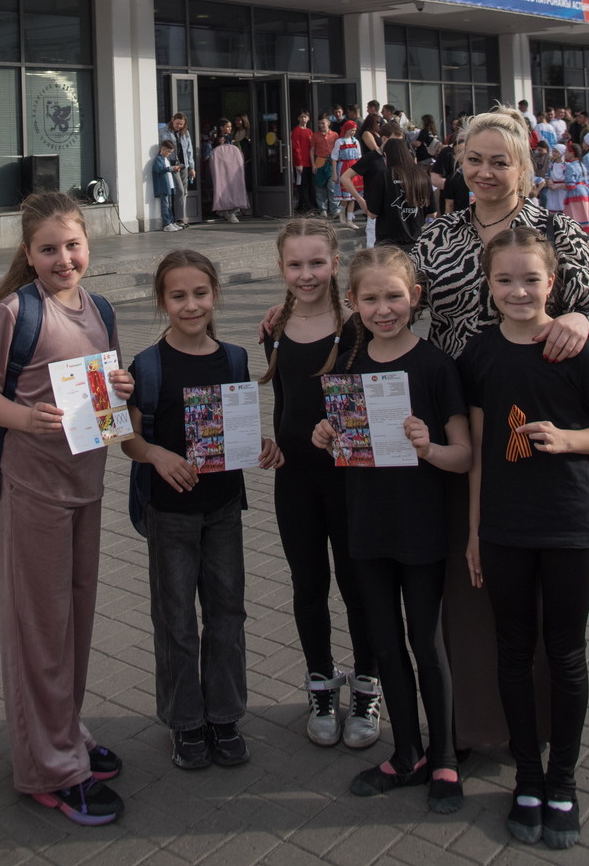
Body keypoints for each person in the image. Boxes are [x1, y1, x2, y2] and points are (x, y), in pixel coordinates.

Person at [411, 106, 589, 754]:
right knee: (471, 583)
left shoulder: (553, 230)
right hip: (460, 426)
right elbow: (389, 299)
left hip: (536, 433)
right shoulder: (438, 235)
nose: (485, 172)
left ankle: (545, 730)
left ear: (524, 167)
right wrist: (302, 312)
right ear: (459, 162)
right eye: (474, 160)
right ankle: (479, 727)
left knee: (543, 595)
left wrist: (583, 324)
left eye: (499, 162)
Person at [0, 191, 133, 826]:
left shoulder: (101, 307)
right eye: (49, 249)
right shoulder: (15, 312)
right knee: (39, 627)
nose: (64, 259)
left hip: (86, 482)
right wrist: (24, 418)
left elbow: (107, 393)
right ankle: (50, 769)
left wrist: (121, 387)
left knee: (73, 621)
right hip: (31, 489)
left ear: (88, 244)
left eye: (73, 245)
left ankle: (65, 732)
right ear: (28, 254)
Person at [463, 227, 589, 849]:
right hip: (504, 528)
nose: (518, 291)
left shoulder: (574, 349)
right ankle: (527, 777)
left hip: (567, 524)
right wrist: (474, 531)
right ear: (488, 285)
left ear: (552, 283)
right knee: (512, 649)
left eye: (531, 279)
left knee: (565, 653)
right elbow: (479, 451)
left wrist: (567, 439)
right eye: (504, 280)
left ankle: (563, 780)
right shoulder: (479, 353)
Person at [312, 246, 470, 812]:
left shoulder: (435, 366)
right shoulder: (347, 369)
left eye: (394, 297)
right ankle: (407, 754)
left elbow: (464, 456)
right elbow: (341, 443)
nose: (384, 309)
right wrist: (325, 435)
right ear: (352, 302)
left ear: (416, 298)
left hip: (422, 526)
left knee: (426, 643)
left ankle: (444, 757)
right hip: (368, 526)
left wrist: (430, 448)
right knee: (385, 642)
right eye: (371, 298)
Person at [122, 249, 281, 770]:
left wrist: (260, 444)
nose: (191, 305)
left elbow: (236, 429)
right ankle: (185, 721)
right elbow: (130, 439)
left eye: (200, 294)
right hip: (170, 512)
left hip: (223, 507)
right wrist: (156, 455)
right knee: (175, 619)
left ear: (215, 295)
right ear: (162, 301)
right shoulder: (148, 365)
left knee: (227, 613)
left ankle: (225, 715)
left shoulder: (233, 358)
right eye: (178, 296)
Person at [260, 219, 381, 749]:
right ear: (281, 268)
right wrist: (272, 444)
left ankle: (368, 684)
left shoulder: (358, 327)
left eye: (316, 263)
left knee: (358, 585)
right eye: (295, 264)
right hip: (295, 480)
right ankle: (320, 682)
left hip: (349, 481)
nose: (305, 274)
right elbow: (283, 403)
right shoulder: (275, 328)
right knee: (308, 585)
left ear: (335, 264)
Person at [364, 138, 431, 246]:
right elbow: (433, 212)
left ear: (386, 155)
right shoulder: (421, 175)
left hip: (388, 244)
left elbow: (372, 214)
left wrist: (363, 203)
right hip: (416, 242)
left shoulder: (383, 175)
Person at [159, 112, 196, 228]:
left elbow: (189, 150)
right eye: (177, 123)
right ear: (172, 120)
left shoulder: (185, 133)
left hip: (184, 165)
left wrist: (192, 167)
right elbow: (161, 148)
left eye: (181, 124)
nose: (179, 126)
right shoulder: (163, 131)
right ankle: (179, 219)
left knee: (184, 191)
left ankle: (181, 219)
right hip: (173, 165)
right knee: (179, 190)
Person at [209, 125, 249, 223]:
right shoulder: (216, 142)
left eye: (230, 126)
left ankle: (230, 212)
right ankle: (227, 212)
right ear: (221, 128)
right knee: (222, 188)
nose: (230, 128)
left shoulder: (232, 140)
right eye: (228, 126)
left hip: (232, 168)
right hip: (221, 169)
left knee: (233, 188)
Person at [331, 123, 364, 226]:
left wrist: (361, 171)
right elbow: (334, 159)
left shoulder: (356, 141)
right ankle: (342, 211)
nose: (353, 132)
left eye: (355, 130)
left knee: (353, 196)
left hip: (354, 169)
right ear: (346, 129)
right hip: (343, 168)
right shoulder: (339, 142)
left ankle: (349, 220)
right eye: (352, 130)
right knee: (346, 197)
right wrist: (335, 174)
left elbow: (359, 158)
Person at [311, 112, 338, 217]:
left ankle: (334, 209)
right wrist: (313, 164)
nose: (321, 125)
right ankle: (323, 209)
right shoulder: (315, 136)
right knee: (320, 187)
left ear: (328, 123)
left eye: (323, 123)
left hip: (331, 162)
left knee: (332, 187)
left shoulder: (335, 135)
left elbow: (338, 149)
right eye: (319, 123)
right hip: (320, 162)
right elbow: (312, 150)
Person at [291, 110, 315, 215]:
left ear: (308, 118)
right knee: (302, 185)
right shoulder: (296, 131)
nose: (303, 119)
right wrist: (299, 163)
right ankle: (306, 207)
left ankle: (303, 206)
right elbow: (296, 148)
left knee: (308, 185)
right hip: (301, 163)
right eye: (301, 117)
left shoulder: (309, 131)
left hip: (309, 162)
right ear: (298, 118)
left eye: (305, 117)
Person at [153, 139, 179, 231]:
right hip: (163, 186)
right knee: (165, 205)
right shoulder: (158, 159)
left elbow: (167, 169)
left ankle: (171, 222)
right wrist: (171, 168)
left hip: (169, 186)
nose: (169, 154)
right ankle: (166, 224)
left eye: (170, 152)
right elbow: (159, 169)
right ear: (163, 149)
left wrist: (174, 169)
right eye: (168, 152)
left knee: (169, 205)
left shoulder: (166, 159)